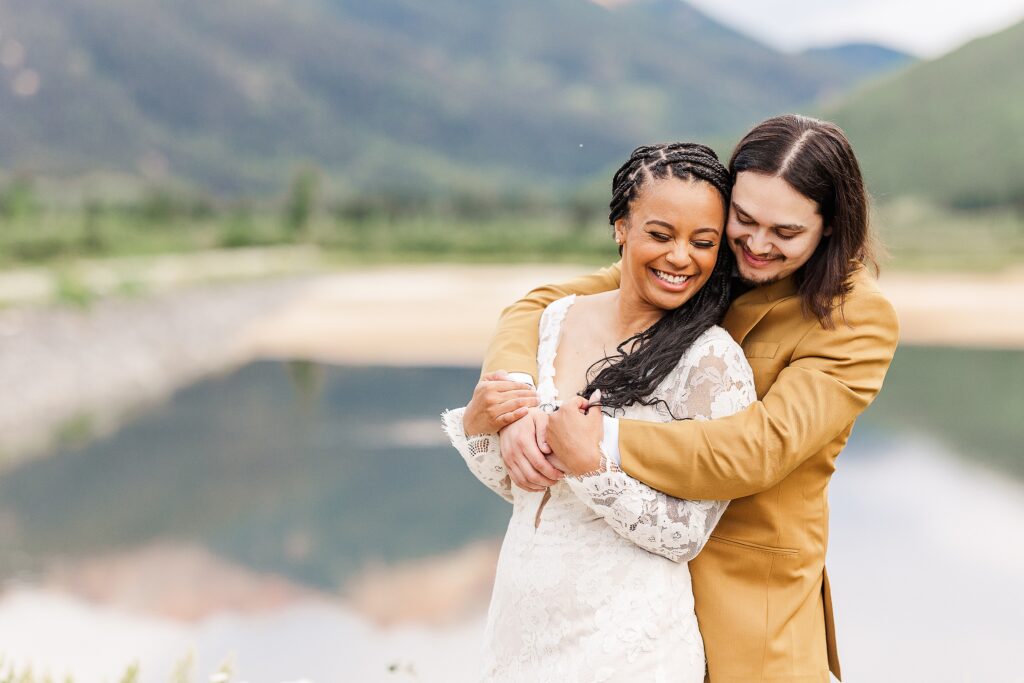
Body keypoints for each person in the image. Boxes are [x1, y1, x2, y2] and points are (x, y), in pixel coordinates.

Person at [479, 114, 900, 682]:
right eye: (744, 220)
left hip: (750, 603)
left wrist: (596, 438)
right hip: (632, 583)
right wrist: (516, 399)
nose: (757, 243)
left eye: (785, 232)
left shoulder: (856, 317)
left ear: (830, 226)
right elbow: (540, 306)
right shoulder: (702, 254)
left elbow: (759, 450)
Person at [443, 142, 756, 681]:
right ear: (620, 228)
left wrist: (592, 463)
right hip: (520, 628)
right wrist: (480, 427)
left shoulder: (712, 360)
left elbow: (686, 535)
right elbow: (527, 490)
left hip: (627, 645)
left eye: (702, 243)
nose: (681, 257)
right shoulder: (555, 320)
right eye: (661, 235)